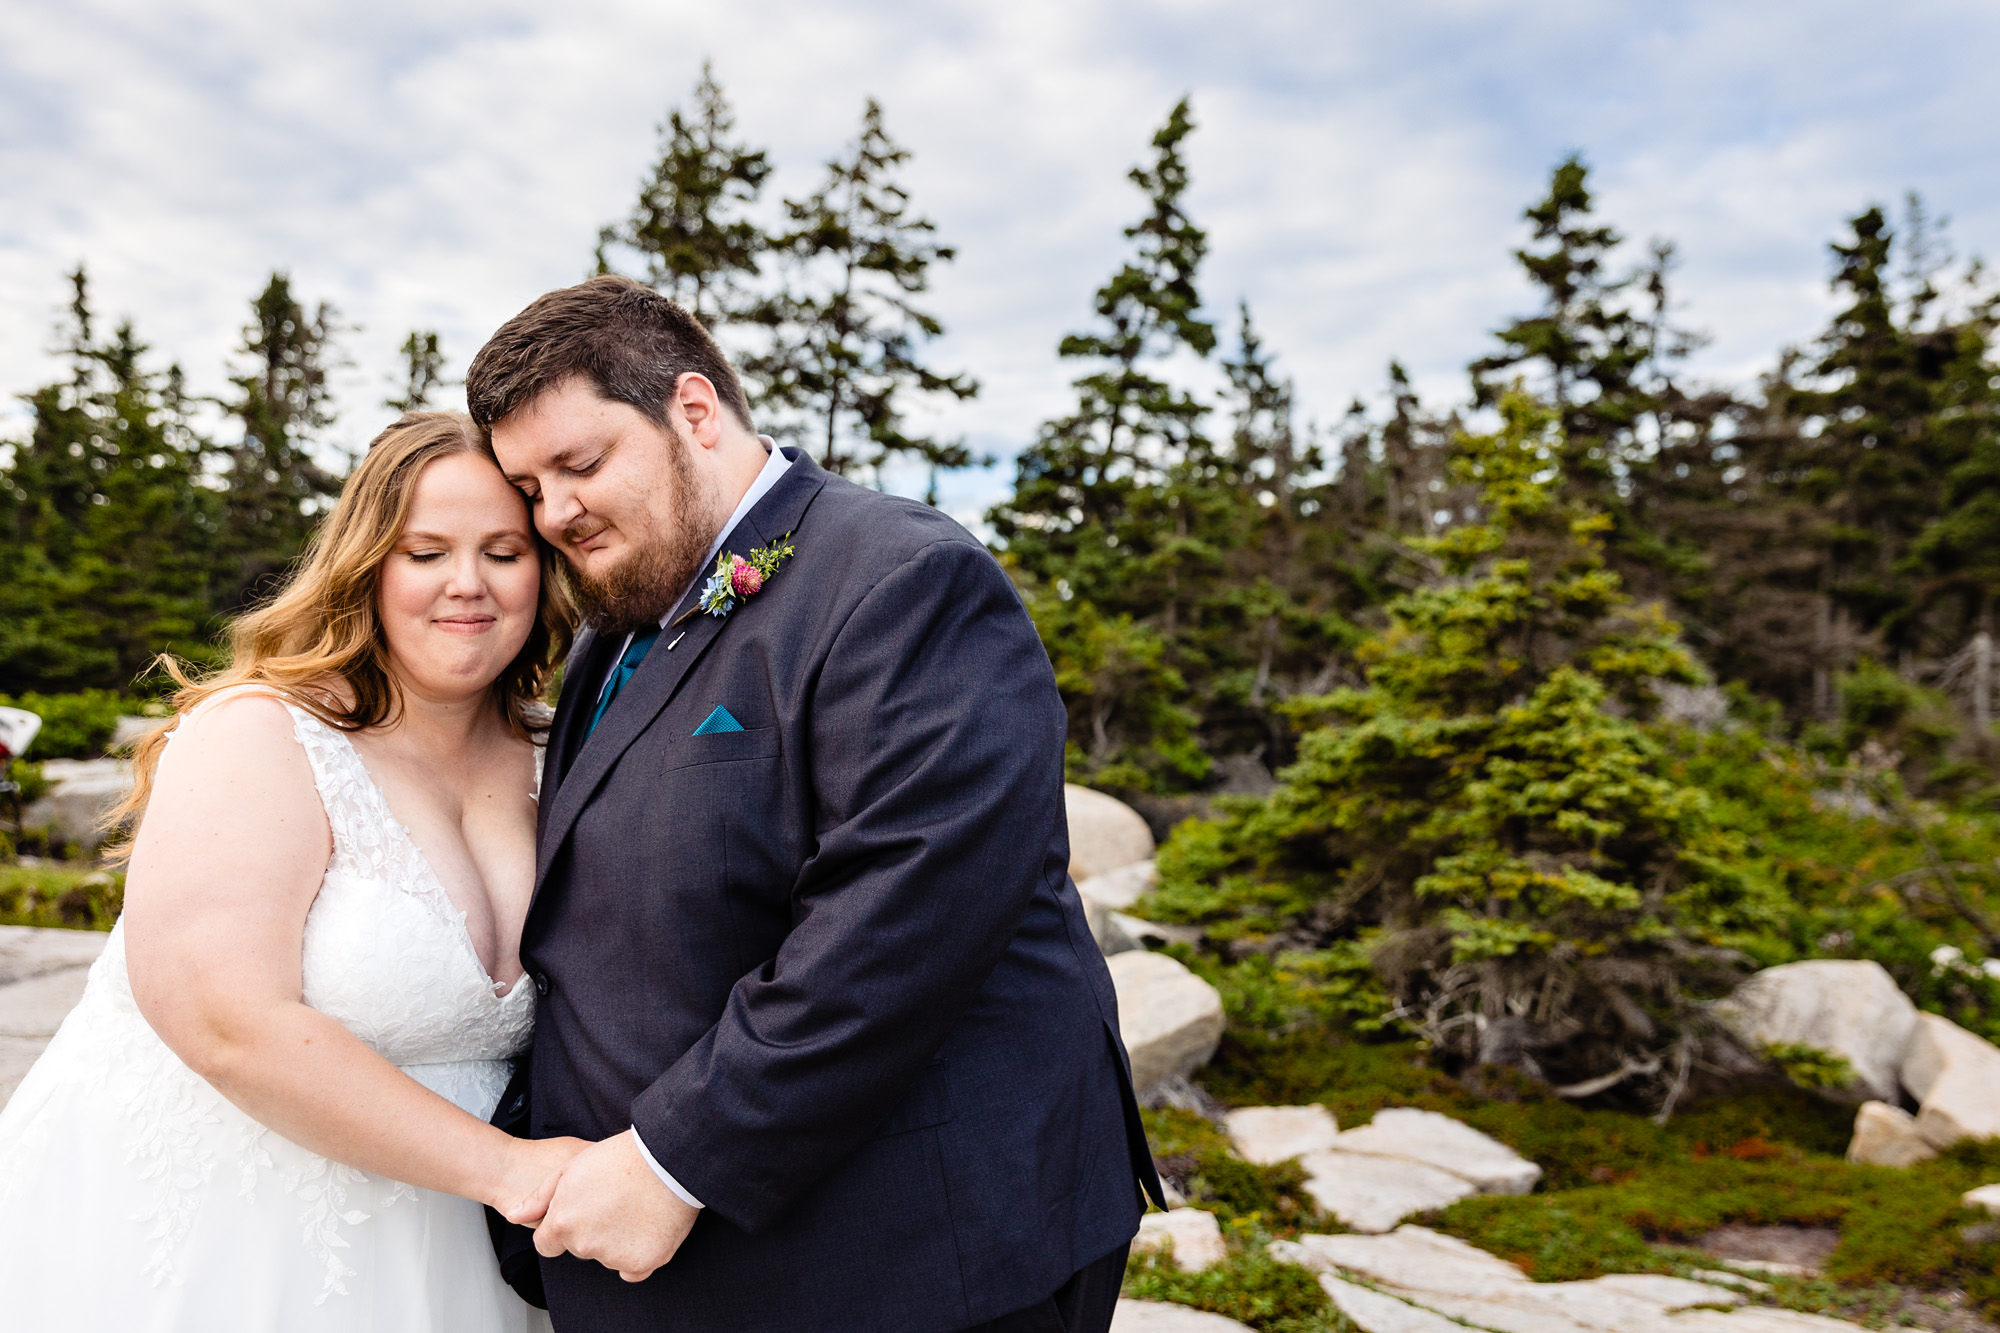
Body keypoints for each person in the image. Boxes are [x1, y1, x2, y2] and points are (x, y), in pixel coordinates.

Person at [469, 274, 1164, 1333]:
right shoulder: (610, 632)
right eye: (528, 485)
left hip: (914, 1257)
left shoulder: (903, 578)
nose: (553, 511)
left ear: (693, 412)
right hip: (691, 1254)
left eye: (581, 462)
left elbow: (905, 916)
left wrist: (672, 1160)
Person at [0, 412, 585, 1331]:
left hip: (465, 1249)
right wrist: (513, 1172)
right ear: (365, 565)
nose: (466, 584)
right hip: (234, 1234)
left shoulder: (568, 756)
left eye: (503, 551)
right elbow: (225, 1020)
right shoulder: (262, 733)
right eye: (425, 551)